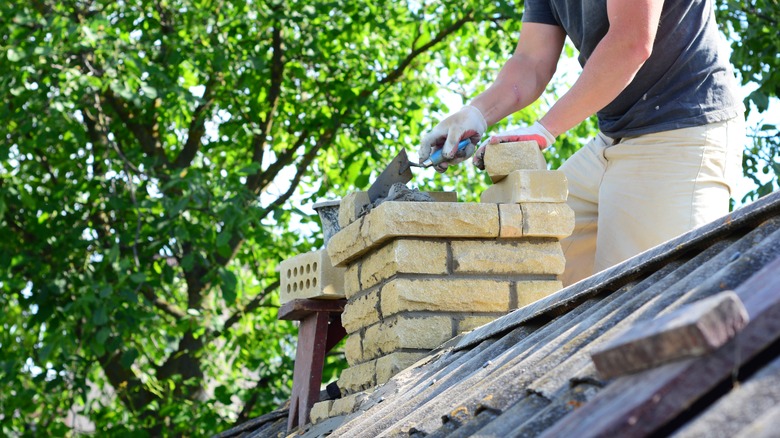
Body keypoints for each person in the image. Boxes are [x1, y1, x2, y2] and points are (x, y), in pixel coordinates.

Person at [419, 0, 745, 286]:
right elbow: (531, 61)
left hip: (681, 135)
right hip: (612, 140)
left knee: (641, 308)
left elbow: (631, 42)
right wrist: (475, 114)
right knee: (524, 268)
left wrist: (545, 129)